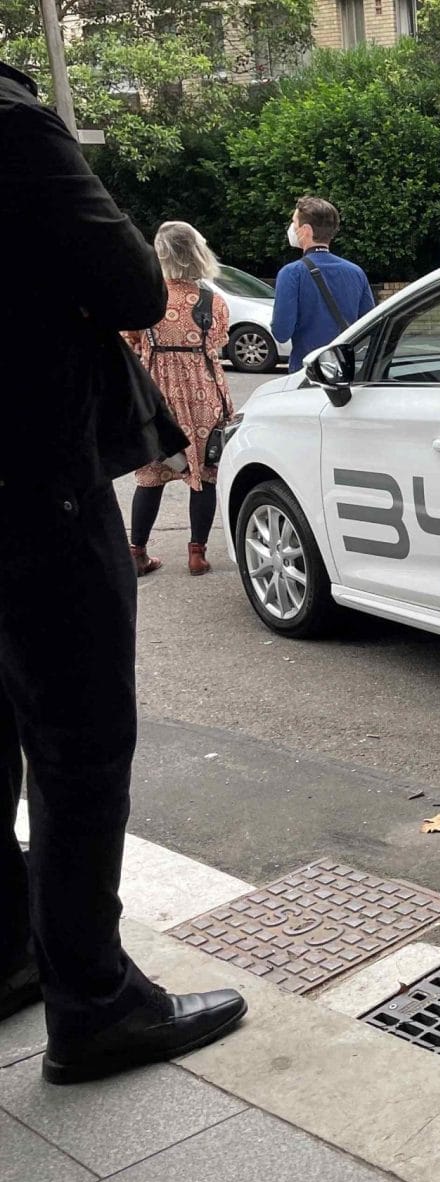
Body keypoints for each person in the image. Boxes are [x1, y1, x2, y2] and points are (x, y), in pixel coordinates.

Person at [1, 60, 246, 1083]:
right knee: (81, 743)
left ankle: (10, 950)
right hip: (30, 473)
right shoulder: (9, 125)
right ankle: (96, 1004)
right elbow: (129, 285)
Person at [125, 222, 232, 577]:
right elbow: (216, 345)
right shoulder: (211, 301)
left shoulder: (145, 298)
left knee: (151, 475)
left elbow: (132, 343)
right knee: (204, 474)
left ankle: (137, 551)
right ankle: (197, 554)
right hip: (204, 398)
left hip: (158, 400)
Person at [270, 196, 376, 372]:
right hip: (346, 370)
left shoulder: (291, 273)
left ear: (305, 230)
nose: (291, 228)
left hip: (307, 371)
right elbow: (369, 327)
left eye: (294, 222)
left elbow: (281, 333)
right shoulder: (356, 272)